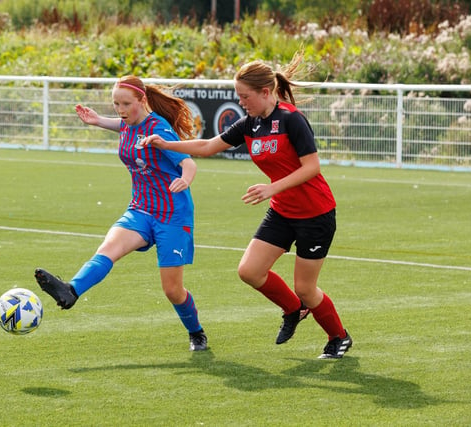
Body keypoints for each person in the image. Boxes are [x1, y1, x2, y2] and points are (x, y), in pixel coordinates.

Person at [141, 53, 352, 359]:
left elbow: (312, 167)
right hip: (283, 211)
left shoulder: (291, 119)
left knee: (306, 287)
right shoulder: (250, 124)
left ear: (266, 92)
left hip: (315, 214)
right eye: (238, 97)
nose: (241, 102)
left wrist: (271, 188)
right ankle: (294, 309)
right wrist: (165, 143)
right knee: (250, 271)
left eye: (245, 96)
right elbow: (208, 146)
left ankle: (338, 337)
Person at [35, 75, 208, 351]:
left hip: (172, 215)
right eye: (115, 104)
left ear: (143, 100)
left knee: (172, 290)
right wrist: (98, 120)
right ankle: (71, 291)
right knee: (108, 249)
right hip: (140, 209)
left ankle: (196, 332)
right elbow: (122, 125)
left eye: (126, 104)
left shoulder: (159, 129)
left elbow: (187, 162)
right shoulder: (127, 123)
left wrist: (186, 178)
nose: (120, 110)